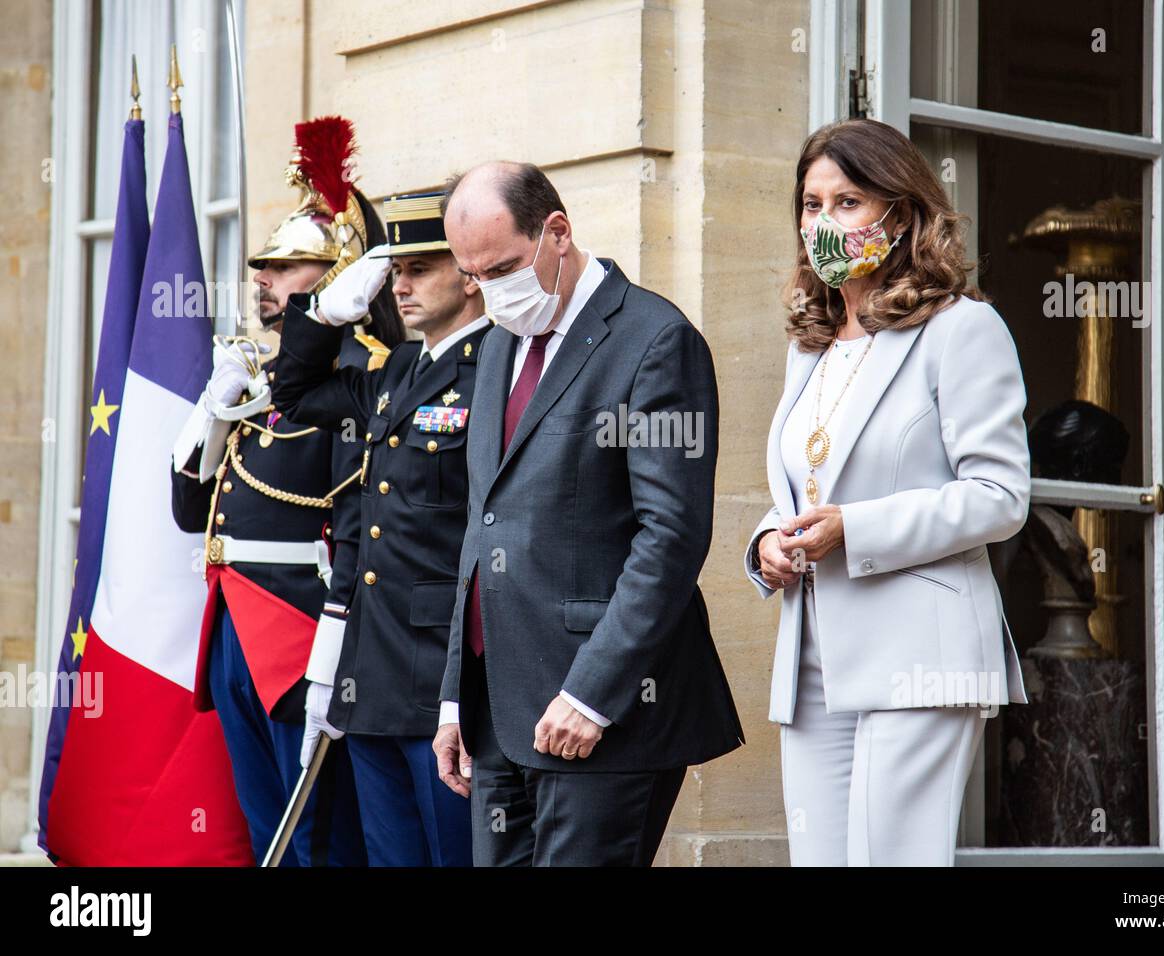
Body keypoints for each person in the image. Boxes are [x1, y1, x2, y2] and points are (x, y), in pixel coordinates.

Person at [431, 161, 744, 867]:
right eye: (472, 276)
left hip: (601, 710)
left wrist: (593, 693)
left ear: (558, 233)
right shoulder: (498, 345)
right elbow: (481, 530)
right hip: (498, 711)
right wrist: (457, 698)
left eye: (503, 266)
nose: (490, 291)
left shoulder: (656, 340)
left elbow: (671, 536)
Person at [742, 118, 1032, 867]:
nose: (823, 223)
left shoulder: (963, 329)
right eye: (811, 205)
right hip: (812, 658)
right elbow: (811, 484)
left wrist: (855, 530)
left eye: (847, 202)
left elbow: (1000, 495)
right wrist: (769, 541)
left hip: (919, 652)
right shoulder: (809, 344)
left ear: (899, 216)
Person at [170, 116, 403, 866]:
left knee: (318, 836)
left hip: (306, 626)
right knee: (264, 819)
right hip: (236, 621)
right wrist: (212, 411)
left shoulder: (364, 380)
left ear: (337, 274)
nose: (262, 279)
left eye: (285, 265)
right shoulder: (260, 378)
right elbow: (186, 513)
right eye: (263, 265)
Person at [271, 191, 484, 866]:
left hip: (442, 679)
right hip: (373, 671)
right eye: (397, 268)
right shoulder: (398, 370)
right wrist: (322, 313)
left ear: (471, 271)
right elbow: (297, 396)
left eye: (422, 266)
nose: (402, 283)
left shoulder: (500, 369)